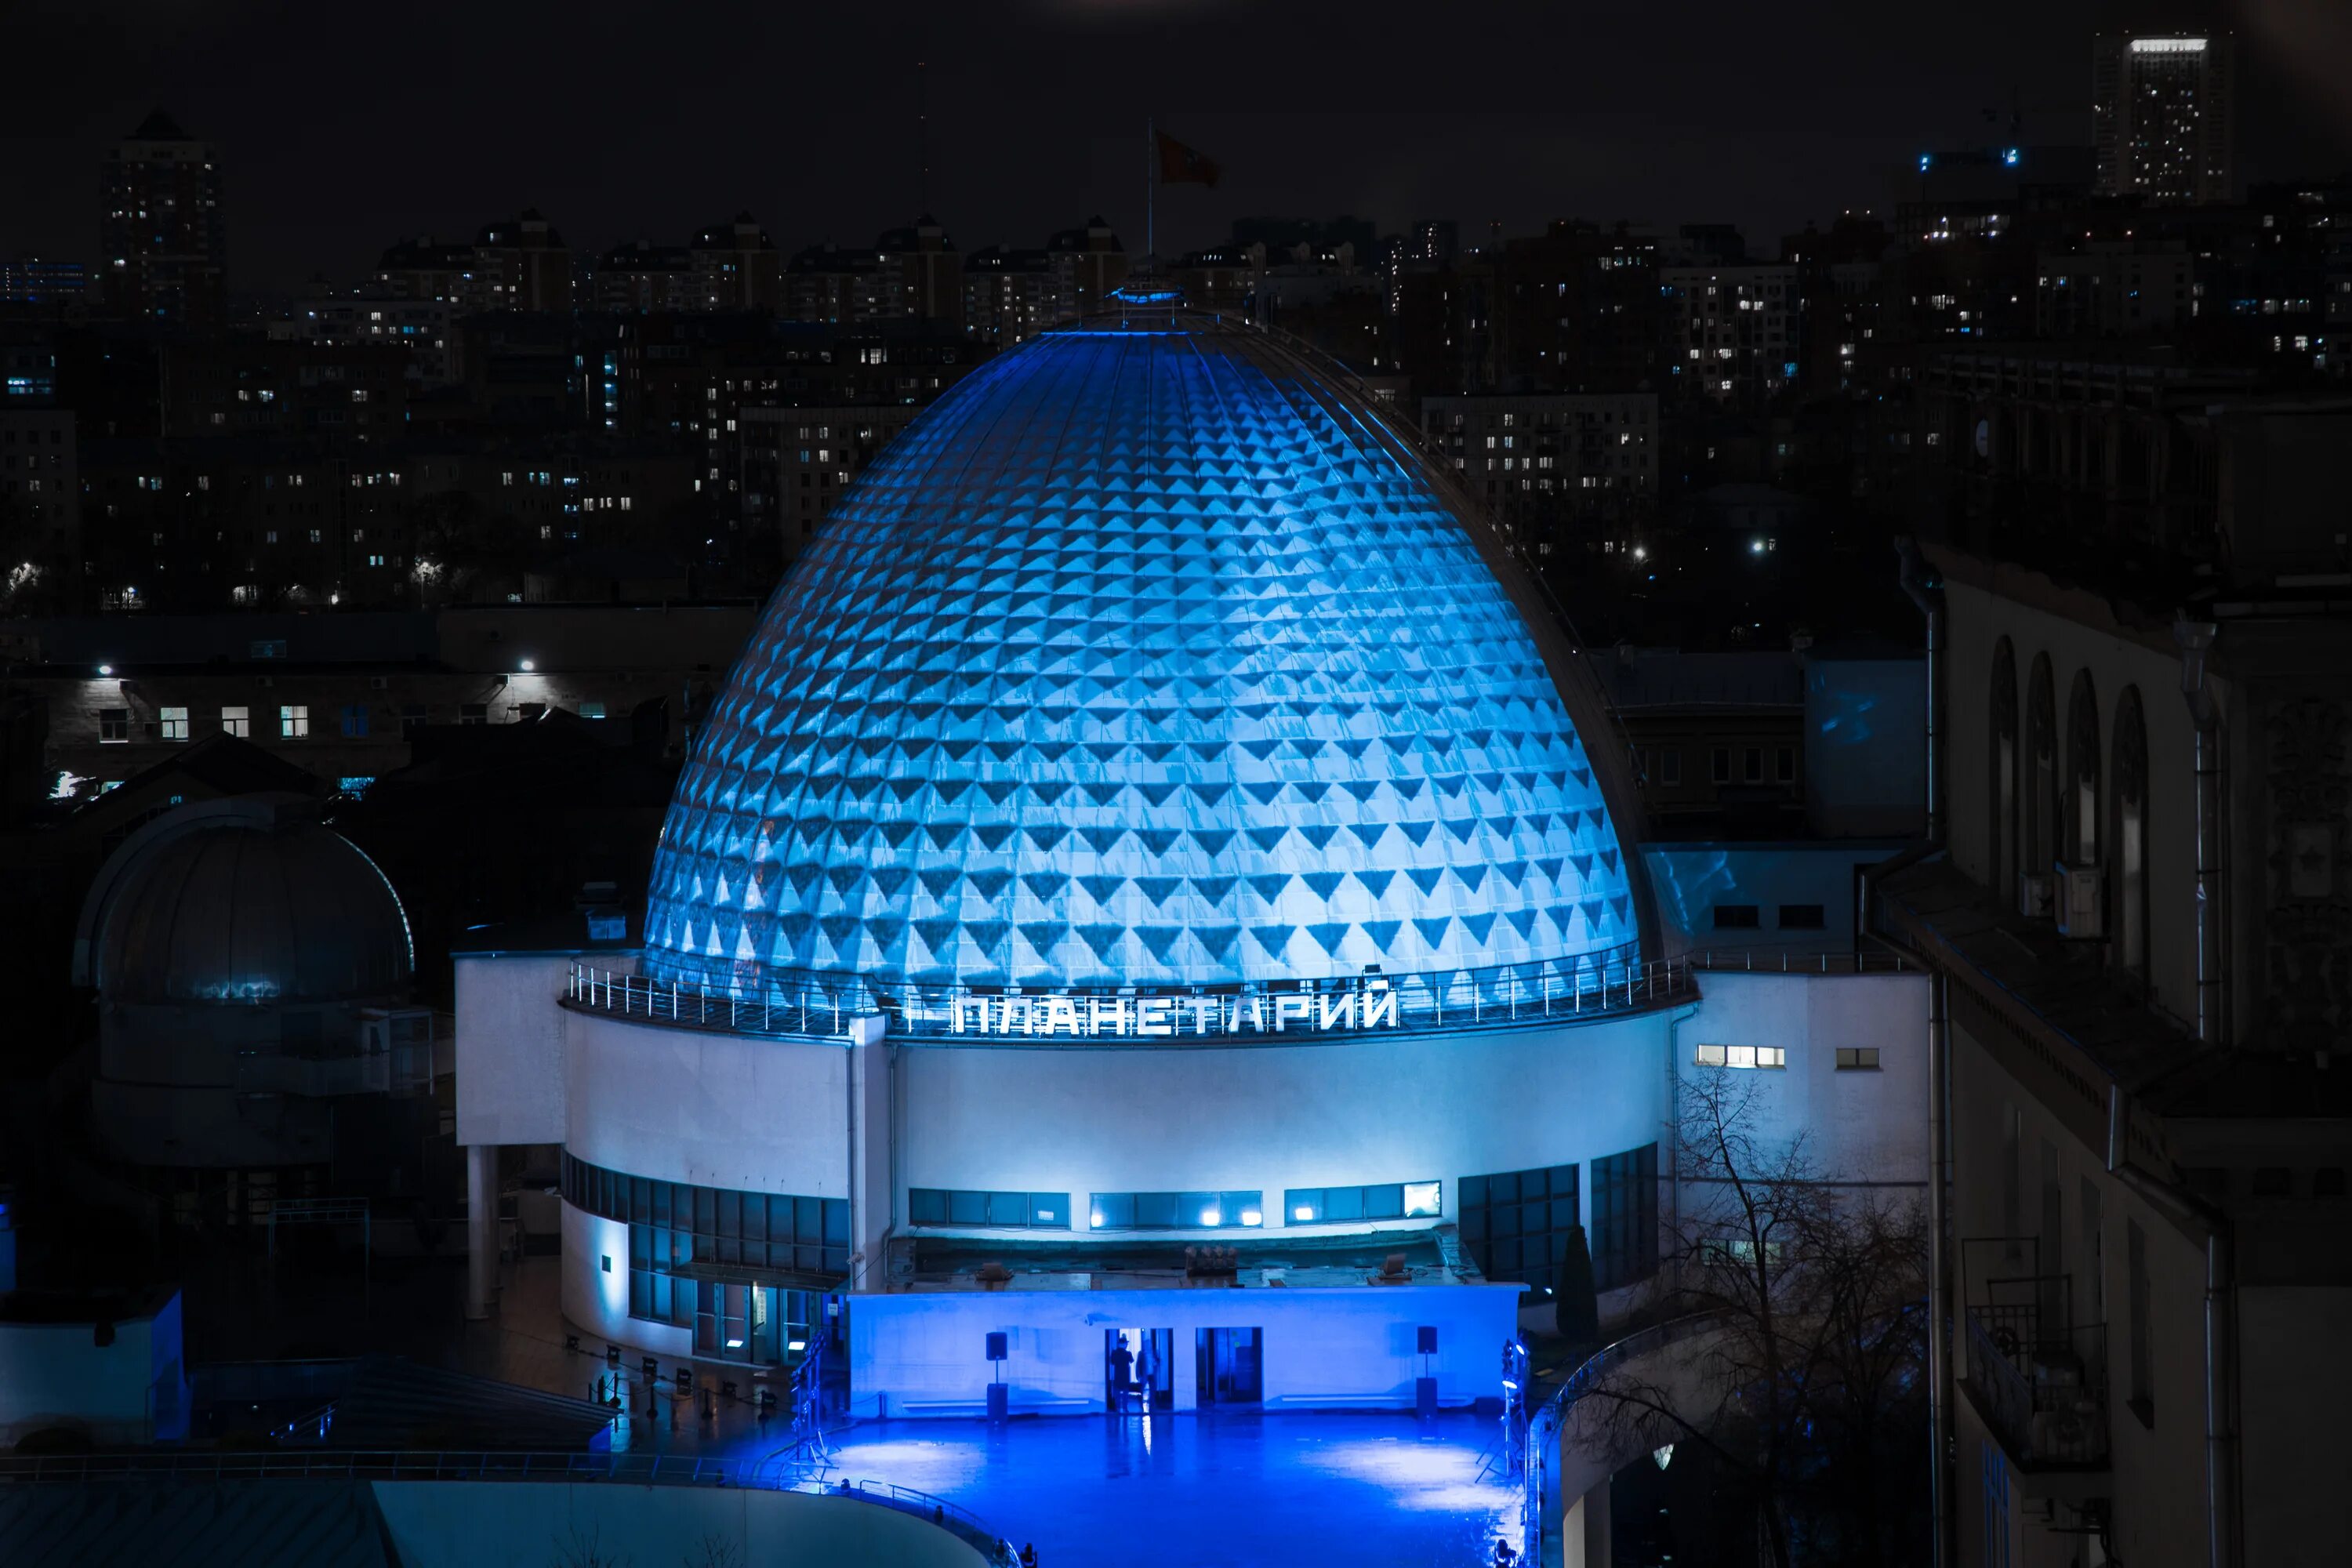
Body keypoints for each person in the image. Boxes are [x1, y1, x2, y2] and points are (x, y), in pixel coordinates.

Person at [1108, 1335, 1135, 1412]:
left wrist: (1113, 1352)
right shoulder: (1128, 1354)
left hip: (1117, 1376)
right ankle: (1125, 1408)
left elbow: (1112, 1362)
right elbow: (1132, 1361)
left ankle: (1117, 1408)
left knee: (1117, 1393)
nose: (1127, 1345)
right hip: (1125, 1376)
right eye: (1126, 1343)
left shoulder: (1114, 1353)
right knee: (1125, 1394)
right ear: (1123, 1344)